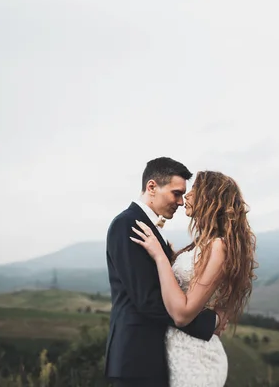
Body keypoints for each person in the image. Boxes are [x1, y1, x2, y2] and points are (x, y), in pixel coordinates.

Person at [104, 157, 228, 387]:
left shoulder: (148, 227)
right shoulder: (128, 224)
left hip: (155, 355)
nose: (181, 202)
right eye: (176, 193)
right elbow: (147, 299)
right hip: (136, 356)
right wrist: (207, 322)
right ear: (152, 187)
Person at [130, 169, 258, 387]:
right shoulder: (201, 244)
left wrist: (160, 257)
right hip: (177, 352)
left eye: (194, 191)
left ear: (210, 198)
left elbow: (182, 315)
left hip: (196, 358)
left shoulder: (218, 246)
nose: (186, 197)